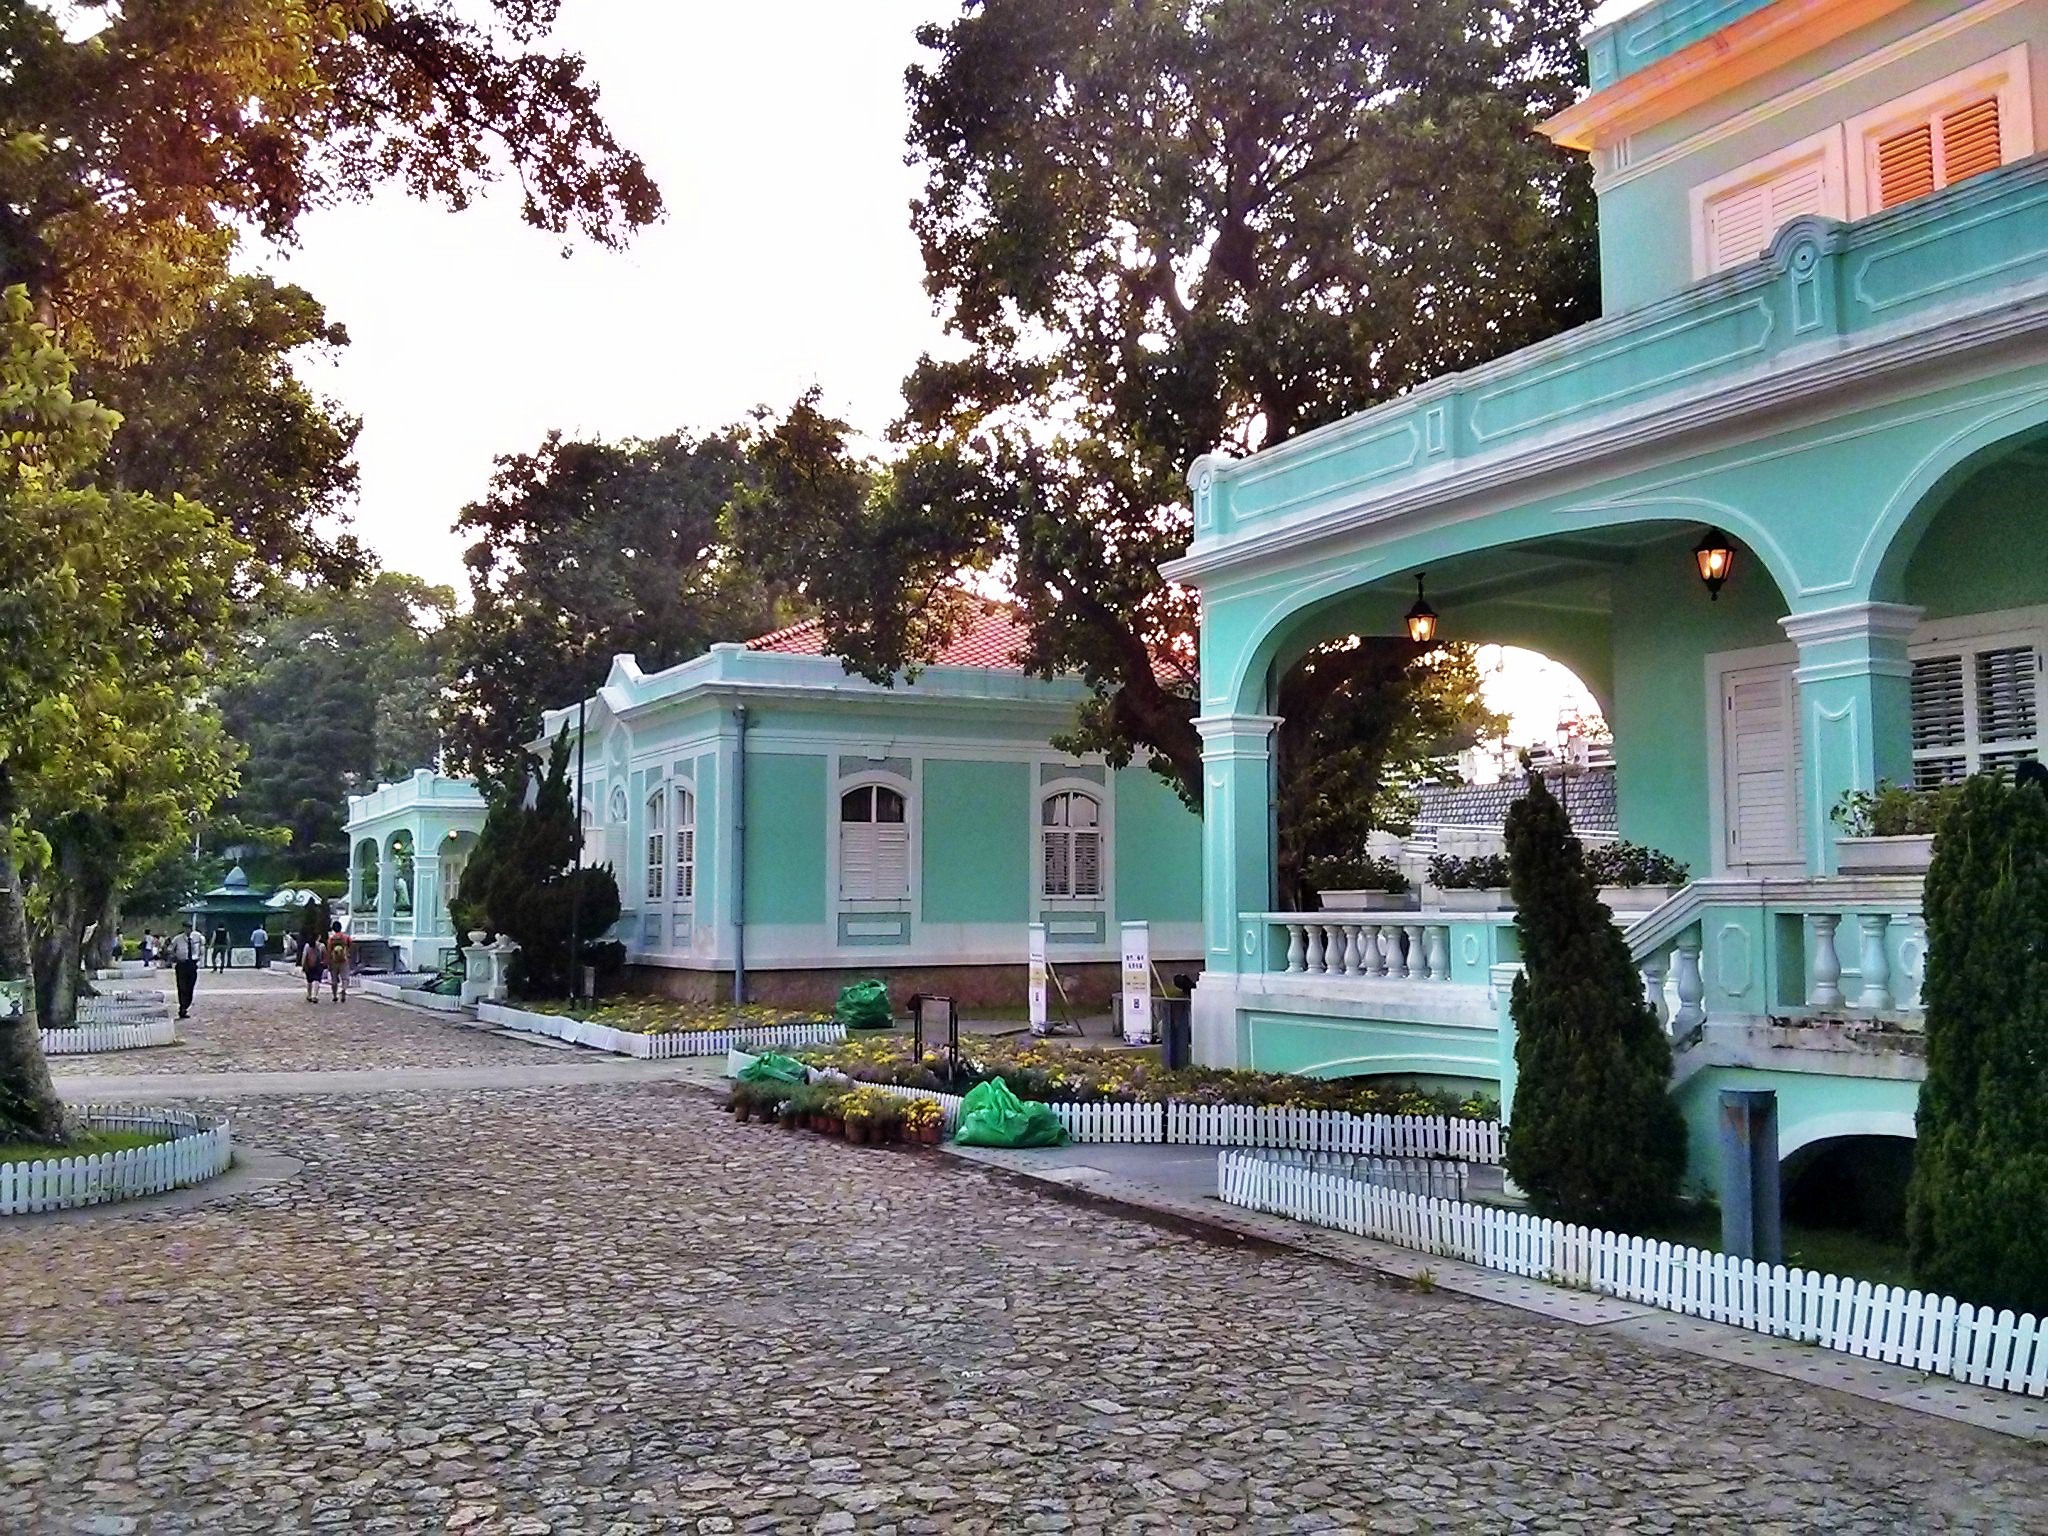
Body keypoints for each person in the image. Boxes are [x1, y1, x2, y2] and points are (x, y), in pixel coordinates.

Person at [167, 923, 202, 1020]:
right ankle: (182, 1007)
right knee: (182, 986)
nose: (188, 930)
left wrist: (199, 957)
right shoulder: (177, 939)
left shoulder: (197, 937)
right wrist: (176, 956)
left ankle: (186, 1005)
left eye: (189, 928)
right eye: (186, 928)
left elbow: (200, 948)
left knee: (190, 987)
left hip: (192, 964)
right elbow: (170, 949)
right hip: (182, 964)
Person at [326, 921, 352, 1003]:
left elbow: (329, 951)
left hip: (334, 961)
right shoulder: (346, 937)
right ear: (341, 928)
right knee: (345, 978)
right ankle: (343, 989)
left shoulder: (331, 939)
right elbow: (350, 944)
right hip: (344, 960)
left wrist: (329, 963)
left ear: (333, 929)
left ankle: (334, 995)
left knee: (334, 980)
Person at [299, 931, 325, 1002]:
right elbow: (324, 956)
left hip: (308, 965)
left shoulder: (307, 945)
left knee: (309, 981)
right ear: (318, 937)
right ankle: (315, 995)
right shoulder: (322, 945)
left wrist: (303, 965)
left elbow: (304, 956)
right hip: (318, 965)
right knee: (317, 980)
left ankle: (309, 995)